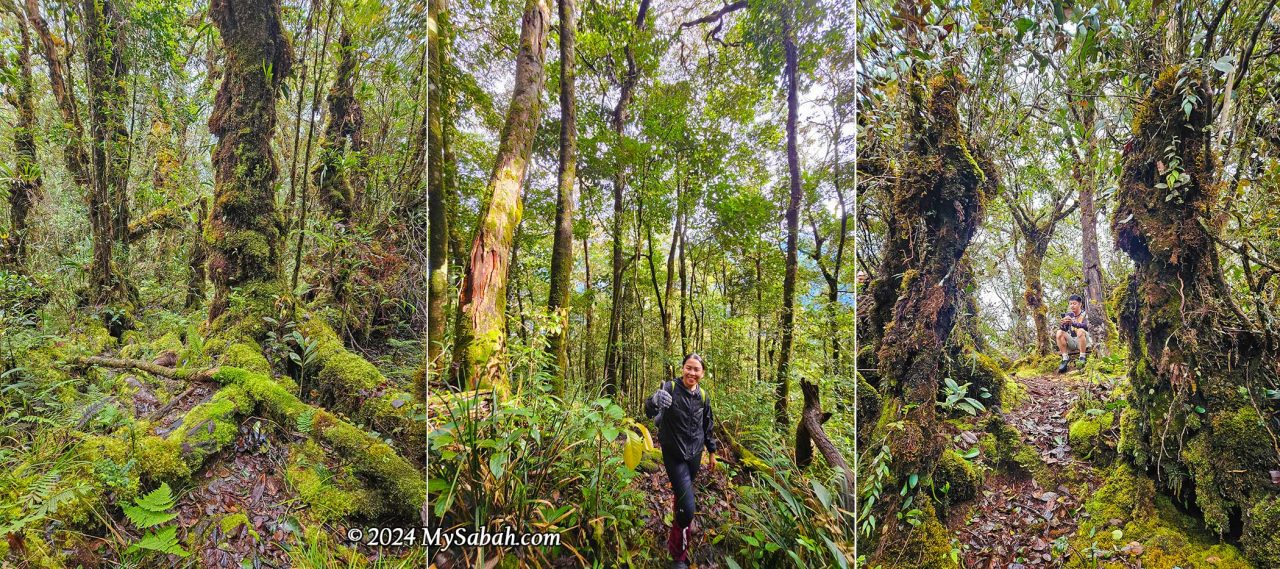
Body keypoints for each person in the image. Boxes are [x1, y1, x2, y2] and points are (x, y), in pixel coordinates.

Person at [644, 353, 718, 569]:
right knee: (687, 508)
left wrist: (711, 452)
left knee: (681, 499)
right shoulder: (670, 388)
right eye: (688, 368)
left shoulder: (703, 396)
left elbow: (708, 425)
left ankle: (679, 527)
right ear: (682, 368)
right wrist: (654, 400)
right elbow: (649, 411)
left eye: (696, 369)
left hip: (695, 454)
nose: (692, 373)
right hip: (673, 453)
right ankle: (678, 556)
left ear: (702, 373)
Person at [1055, 293, 1091, 373]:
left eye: (1074, 303)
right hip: (1073, 341)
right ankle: (1065, 358)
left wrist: (1073, 323)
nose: (1072, 306)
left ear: (1080, 304)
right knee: (1059, 332)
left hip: (1085, 340)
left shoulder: (1085, 314)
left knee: (1080, 330)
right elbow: (1064, 330)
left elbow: (1087, 326)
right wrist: (1063, 324)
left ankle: (1082, 357)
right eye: (1070, 304)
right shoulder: (1069, 315)